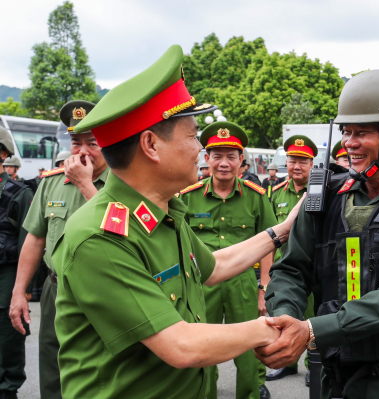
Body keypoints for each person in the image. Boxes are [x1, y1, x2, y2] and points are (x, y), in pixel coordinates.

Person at [49, 44, 300, 399]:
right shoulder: (101, 236)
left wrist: (286, 227)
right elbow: (181, 345)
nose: (200, 148)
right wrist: (279, 330)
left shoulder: (163, 212)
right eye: (192, 135)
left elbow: (214, 267)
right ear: (151, 145)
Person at [258, 70, 379, 399]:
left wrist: (309, 331)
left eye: (362, 132)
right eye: (347, 131)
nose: (349, 143)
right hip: (336, 376)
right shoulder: (325, 197)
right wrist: (285, 321)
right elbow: (292, 269)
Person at [9, 100, 108, 399]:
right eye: (76, 142)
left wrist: (86, 185)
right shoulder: (51, 183)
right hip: (56, 287)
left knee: (102, 369)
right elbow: (35, 238)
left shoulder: (124, 182)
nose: (82, 151)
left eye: (92, 143)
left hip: (105, 289)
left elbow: (120, 232)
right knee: (52, 367)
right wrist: (19, 291)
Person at [179, 121, 277, 399]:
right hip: (200, 283)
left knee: (248, 347)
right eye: (217, 156)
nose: (224, 163)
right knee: (202, 348)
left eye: (231, 156)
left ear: (241, 161)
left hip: (243, 282)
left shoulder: (256, 197)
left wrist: (263, 288)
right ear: (206, 159)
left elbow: (269, 244)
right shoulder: (188, 197)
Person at [265, 135, 316, 385]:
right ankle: (287, 364)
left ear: (312, 164)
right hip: (282, 266)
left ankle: (312, 366)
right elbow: (267, 232)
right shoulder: (274, 193)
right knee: (283, 315)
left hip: (310, 267)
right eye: (292, 160)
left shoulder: (320, 192)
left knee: (312, 317)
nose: (296, 166)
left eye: (302, 161)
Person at [0, 126, 34, 399]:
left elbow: (29, 245)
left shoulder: (19, 194)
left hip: (7, 278)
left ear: (3, 154)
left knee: (8, 345)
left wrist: (22, 290)